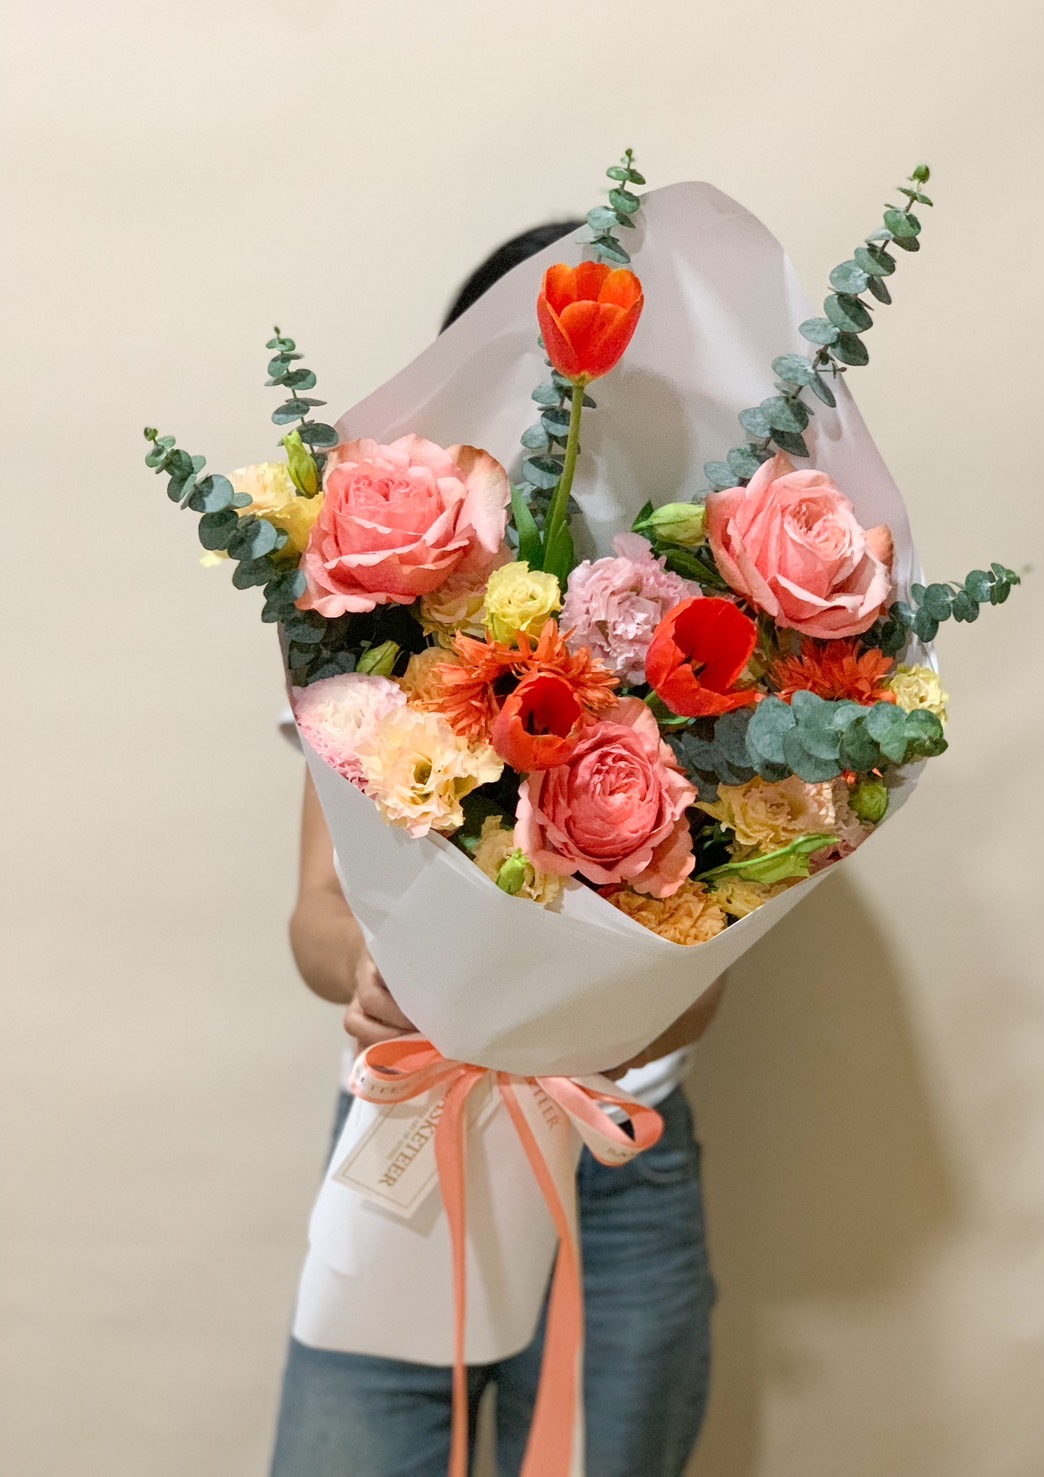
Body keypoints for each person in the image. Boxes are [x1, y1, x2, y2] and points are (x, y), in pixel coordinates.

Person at [269, 225, 723, 1477]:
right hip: (414, 1130)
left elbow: (711, 974)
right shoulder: (383, 620)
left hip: (621, 1152)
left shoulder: (709, 633)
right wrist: (382, 976)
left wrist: (617, 1000)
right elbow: (316, 911)